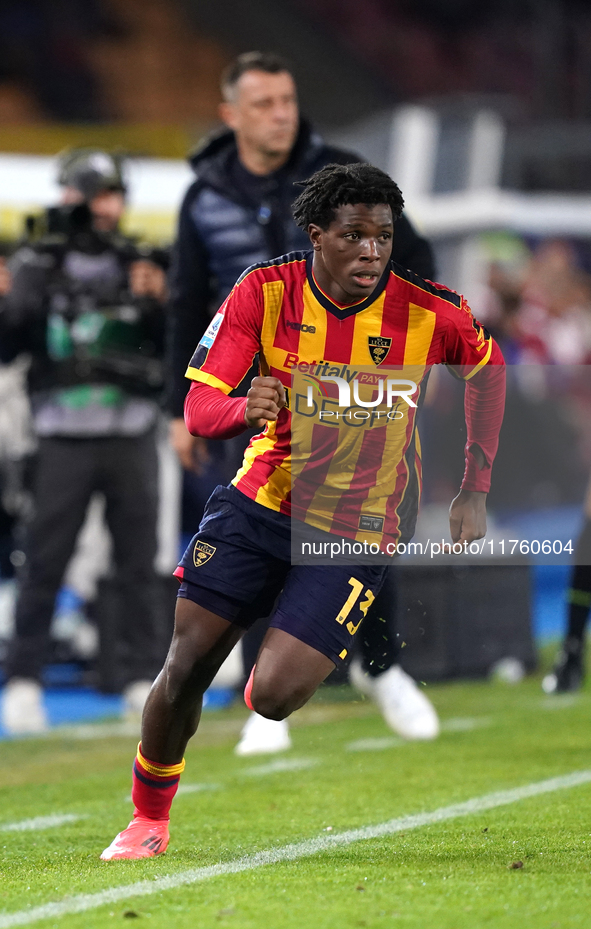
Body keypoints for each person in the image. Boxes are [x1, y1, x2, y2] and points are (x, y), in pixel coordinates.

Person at [100, 162, 505, 860]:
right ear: (316, 234)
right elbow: (199, 406)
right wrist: (240, 408)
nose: (371, 252)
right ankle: (147, 818)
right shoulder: (262, 292)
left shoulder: (429, 310)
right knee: (187, 663)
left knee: (276, 695)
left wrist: (474, 482)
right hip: (259, 503)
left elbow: (487, 373)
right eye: (353, 235)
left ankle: (321, 652)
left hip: (356, 527)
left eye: (382, 236)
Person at [167, 50, 439, 753]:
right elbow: (184, 304)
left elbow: (415, 263)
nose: (279, 113)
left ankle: (384, 667)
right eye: (262, 103)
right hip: (253, 385)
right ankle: (265, 698)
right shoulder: (204, 196)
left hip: (354, 385)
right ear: (231, 114)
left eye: (286, 100)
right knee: (264, 524)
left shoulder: (344, 174)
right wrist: (183, 405)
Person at [0, 149, 168, 733]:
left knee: (136, 563)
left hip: (130, 432)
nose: (104, 206)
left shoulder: (143, 261)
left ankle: (141, 680)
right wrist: (18, 295)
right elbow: (9, 347)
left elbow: (176, 353)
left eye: (111, 193)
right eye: (92, 193)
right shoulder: (37, 263)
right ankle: (23, 681)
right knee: (44, 562)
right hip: (59, 436)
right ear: (67, 196)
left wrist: (157, 304)